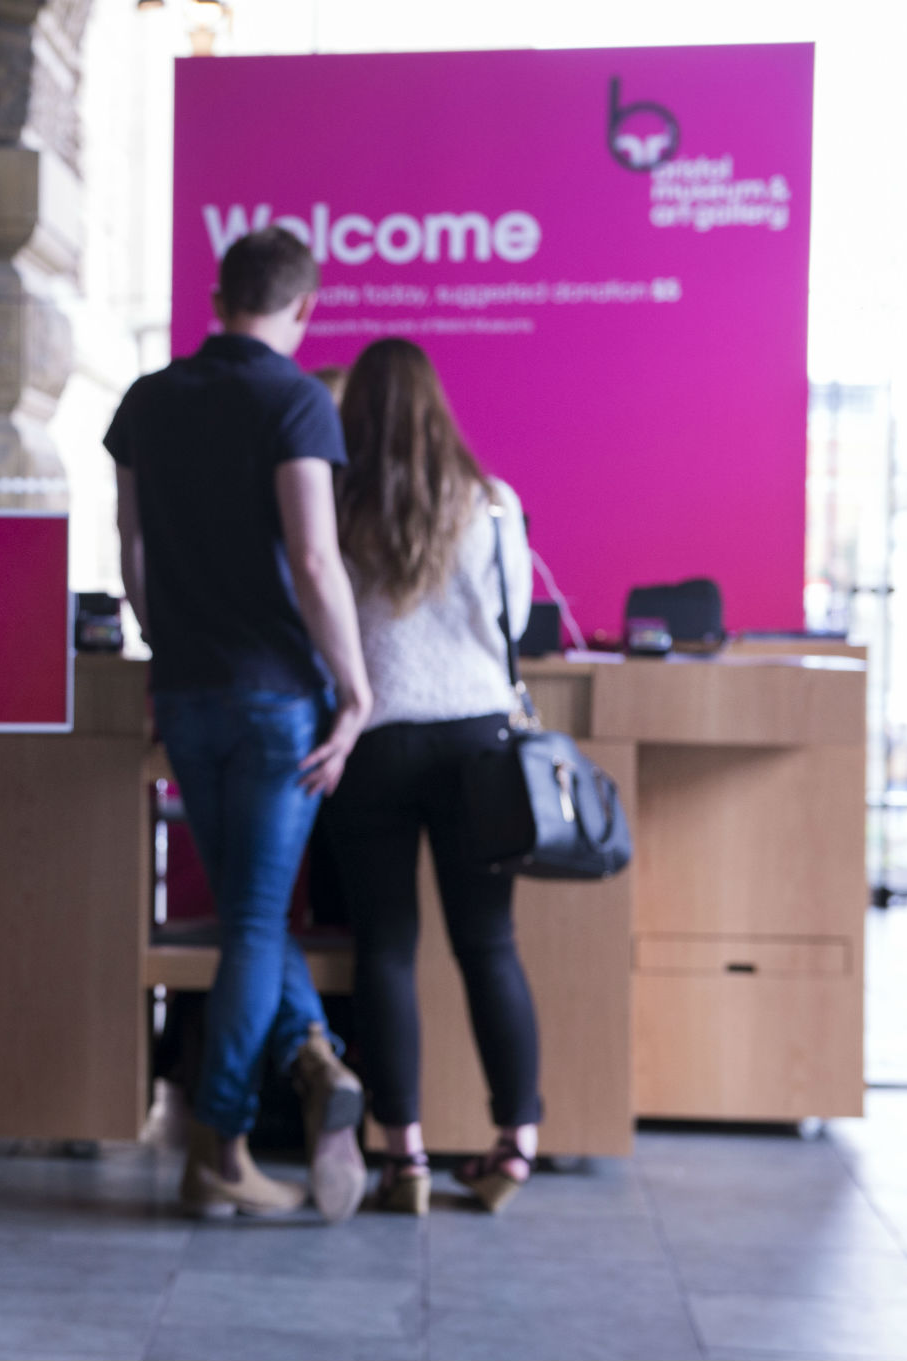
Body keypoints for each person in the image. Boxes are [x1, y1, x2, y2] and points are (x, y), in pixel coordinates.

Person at [106, 228, 373, 1223]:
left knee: (246, 912)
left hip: (182, 691)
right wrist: (354, 690)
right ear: (303, 309)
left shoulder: (146, 400)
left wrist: (162, 637)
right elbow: (314, 558)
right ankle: (218, 1146)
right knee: (258, 919)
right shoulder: (294, 399)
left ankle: (309, 1053)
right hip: (272, 698)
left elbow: (130, 548)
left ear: (217, 297)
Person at [321, 337, 541, 1215]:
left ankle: (403, 1155)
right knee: (488, 945)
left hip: (373, 737)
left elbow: (317, 611)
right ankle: (514, 1148)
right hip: (477, 746)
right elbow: (514, 617)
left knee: (384, 947)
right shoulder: (492, 506)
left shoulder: (337, 504)